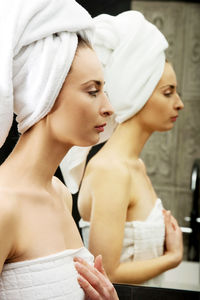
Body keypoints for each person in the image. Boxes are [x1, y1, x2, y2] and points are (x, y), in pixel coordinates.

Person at [0, 1, 119, 299]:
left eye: (104, 91)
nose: (108, 108)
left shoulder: (61, 194)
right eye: (92, 91)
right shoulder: (4, 207)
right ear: (45, 92)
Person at [61, 11, 184, 287]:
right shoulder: (111, 171)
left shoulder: (134, 166)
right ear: (137, 93)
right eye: (168, 92)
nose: (179, 103)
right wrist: (173, 257)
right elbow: (108, 274)